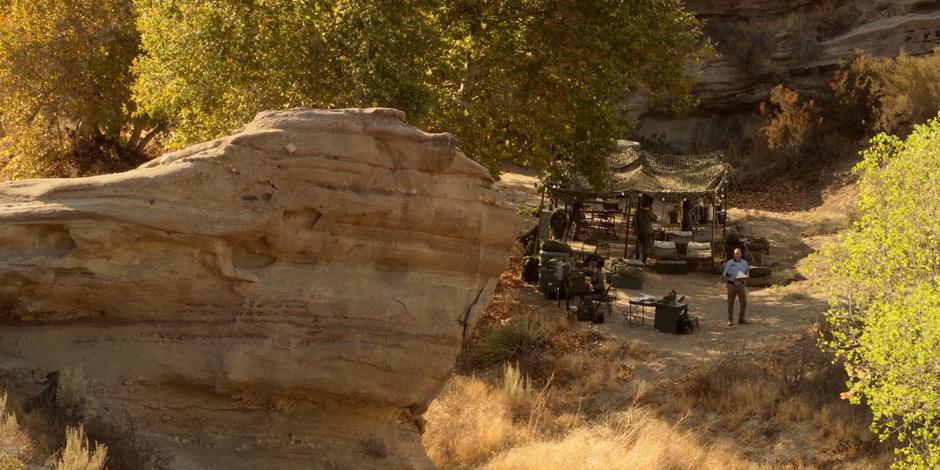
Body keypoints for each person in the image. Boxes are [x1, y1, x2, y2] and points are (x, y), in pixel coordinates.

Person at [723, 247, 750, 326]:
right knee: (730, 302)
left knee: (744, 302)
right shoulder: (729, 263)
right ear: (733, 255)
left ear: (741, 254)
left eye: (739, 253)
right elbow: (724, 274)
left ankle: (741, 319)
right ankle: (730, 320)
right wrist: (727, 274)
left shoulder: (744, 263)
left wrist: (745, 277)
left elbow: (747, 273)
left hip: (741, 285)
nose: (737, 255)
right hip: (731, 284)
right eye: (736, 254)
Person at [635, 197, 657, 263]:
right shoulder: (649, 212)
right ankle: (643, 260)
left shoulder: (637, 212)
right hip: (647, 232)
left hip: (639, 232)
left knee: (638, 245)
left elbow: (634, 223)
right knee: (646, 247)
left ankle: (637, 258)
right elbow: (655, 219)